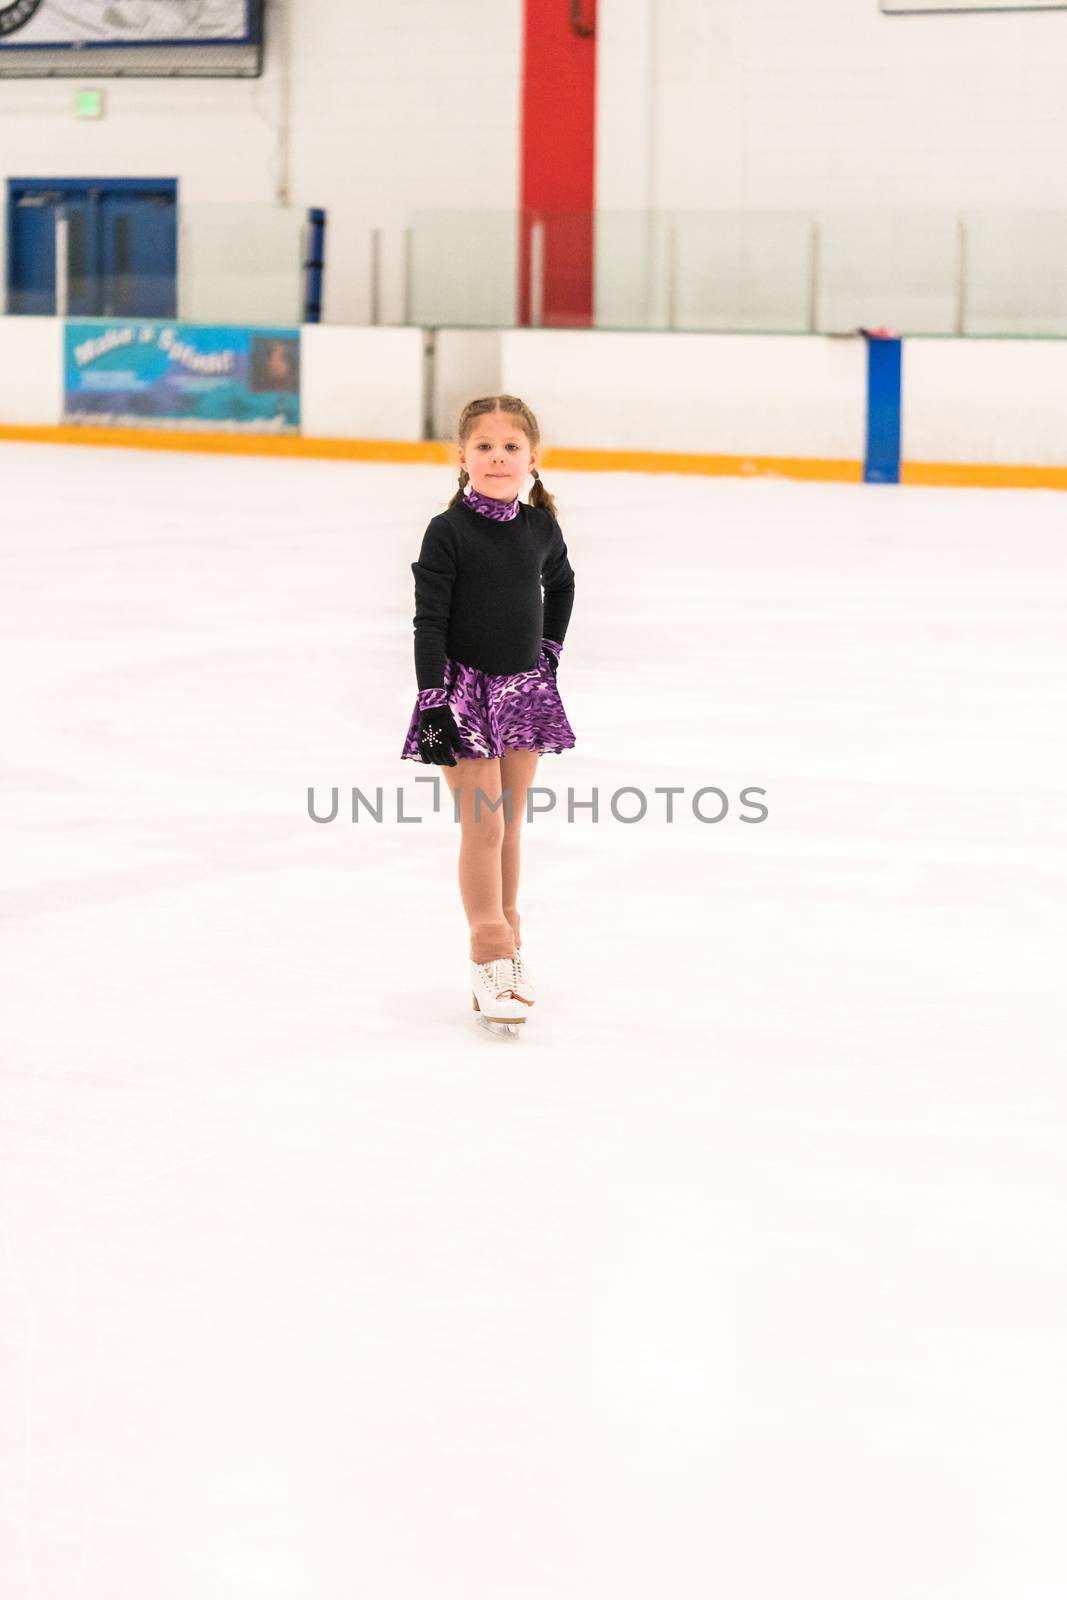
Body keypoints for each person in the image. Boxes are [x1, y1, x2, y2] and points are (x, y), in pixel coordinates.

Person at [400, 395, 576, 1028]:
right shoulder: (448, 531)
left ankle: (509, 944)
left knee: (511, 827)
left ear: (532, 456)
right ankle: (489, 952)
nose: (497, 458)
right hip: (462, 695)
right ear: (462, 455)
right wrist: (433, 704)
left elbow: (562, 582)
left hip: (521, 694)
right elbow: (429, 621)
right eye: (483, 447)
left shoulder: (539, 526)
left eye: (509, 448)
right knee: (485, 825)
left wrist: (548, 652)